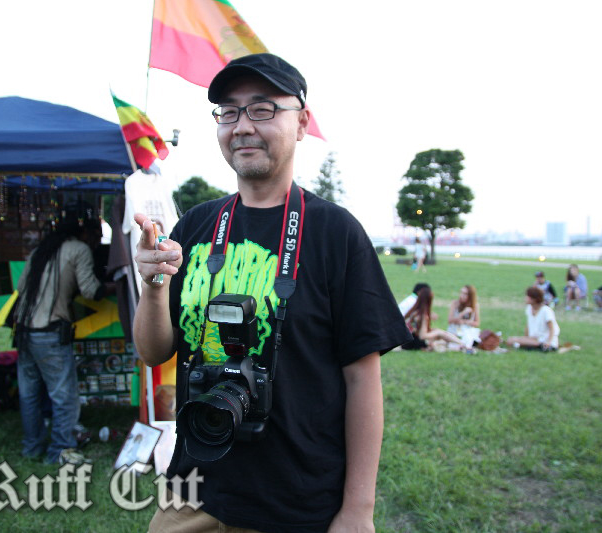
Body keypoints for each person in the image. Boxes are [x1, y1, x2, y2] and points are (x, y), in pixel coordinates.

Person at [132, 53, 411, 532]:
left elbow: (363, 381)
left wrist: (358, 510)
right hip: (191, 490)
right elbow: (153, 352)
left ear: (301, 123)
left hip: (295, 501)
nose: (242, 126)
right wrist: (154, 285)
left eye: (262, 109)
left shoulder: (335, 233)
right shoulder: (196, 225)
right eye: (229, 111)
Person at [14, 216, 106, 465]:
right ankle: (59, 451)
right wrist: (113, 286)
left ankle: (32, 448)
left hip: (23, 330)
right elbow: (90, 290)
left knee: (29, 394)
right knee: (64, 396)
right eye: (95, 236)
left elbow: (21, 287)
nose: (96, 241)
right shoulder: (79, 249)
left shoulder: (40, 250)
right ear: (84, 233)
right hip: (50, 331)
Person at [403, 286, 472, 352]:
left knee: (440, 333)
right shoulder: (423, 316)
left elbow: (415, 329)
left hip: (409, 341)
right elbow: (422, 336)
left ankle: (461, 344)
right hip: (416, 342)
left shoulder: (415, 312)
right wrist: (437, 333)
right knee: (440, 333)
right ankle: (463, 345)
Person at [505, 287, 561, 351]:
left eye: (528, 296)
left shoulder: (546, 311)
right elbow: (528, 325)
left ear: (534, 299)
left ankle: (543, 346)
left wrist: (549, 342)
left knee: (516, 341)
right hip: (534, 338)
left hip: (545, 340)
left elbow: (552, 329)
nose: (525, 298)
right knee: (510, 340)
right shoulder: (529, 308)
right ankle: (530, 345)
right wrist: (525, 338)